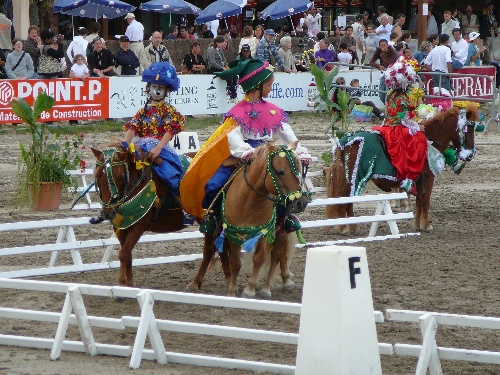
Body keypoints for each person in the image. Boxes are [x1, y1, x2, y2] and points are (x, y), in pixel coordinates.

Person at [179, 58, 311, 219]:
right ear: (257, 85)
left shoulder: (273, 111)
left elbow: (287, 134)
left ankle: (285, 218)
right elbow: (233, 136)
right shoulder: (238, 111)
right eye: (269, 85)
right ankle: (214, 218)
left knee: (285, 183)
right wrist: (245, 151)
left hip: (269, 152)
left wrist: (300, 151)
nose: (271, 88)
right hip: (244, 155)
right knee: (213, 185)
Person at [121, 62, 191, 222]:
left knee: (169, 175)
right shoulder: (143, 110)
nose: (157, 90)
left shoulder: (168, 110)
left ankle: (184, 206)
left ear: (166, 90)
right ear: (148, 88)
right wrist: (124, 143)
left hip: (161, 147)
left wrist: (159, 148)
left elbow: (169, 131)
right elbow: (133, 127)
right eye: (154, 86)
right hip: (140, 146)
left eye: (161, 87)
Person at [372, 60, 427, 196]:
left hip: (386, 126)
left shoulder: (390, 93)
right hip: (397, 129)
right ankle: (408, 178)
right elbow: (406, 119)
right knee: (419, 141)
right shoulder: (405, 98)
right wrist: (419, 126)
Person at [369, 39, 398, 104]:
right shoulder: (378, 50)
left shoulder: (393, 52)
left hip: (392, 74)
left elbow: (388, 64)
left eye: (384, 45)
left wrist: (383, 55)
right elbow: (371, 62)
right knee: (382, 95)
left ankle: (389, 108)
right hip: (384, 74)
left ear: (387, 45)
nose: (383, 47)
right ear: (379, 46)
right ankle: (387, 107)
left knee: (390, 94)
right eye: (381, 46)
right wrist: (379, 66)